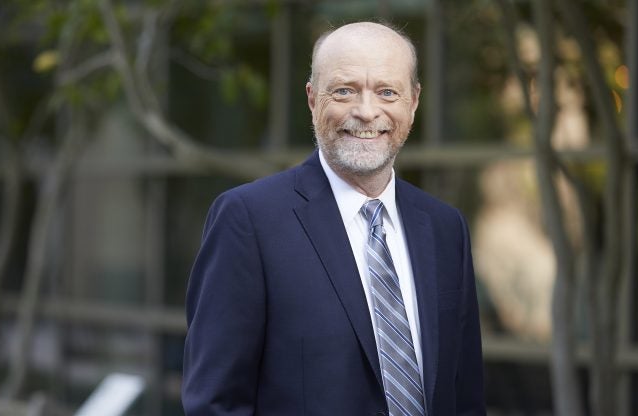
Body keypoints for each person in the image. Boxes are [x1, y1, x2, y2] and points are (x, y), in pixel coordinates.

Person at [182, 21, 485, 416]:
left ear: (413, 102)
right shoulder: (248, 221)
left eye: (387, 92)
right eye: (344, 91)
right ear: (312, 98)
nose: (366, 111)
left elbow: (465, 397)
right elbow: (214, 404)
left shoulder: (446, 229)